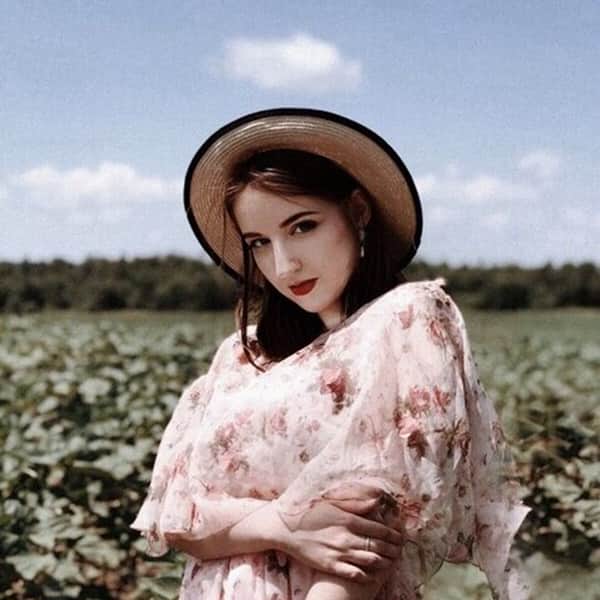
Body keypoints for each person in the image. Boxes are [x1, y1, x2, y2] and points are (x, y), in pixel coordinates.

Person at [130, 108, 531, 600]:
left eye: (302, 227)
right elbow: (178, 520)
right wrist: (283, 525)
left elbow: (370, 531)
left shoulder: (404, 321)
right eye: (259, 243)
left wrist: (245, 525)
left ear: (358, 211)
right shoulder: (240, 354)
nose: (284, 265)